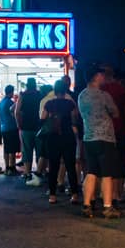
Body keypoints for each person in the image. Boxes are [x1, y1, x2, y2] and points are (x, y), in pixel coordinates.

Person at [77, 66, 122, 218]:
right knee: (107, 174)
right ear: (96, 76)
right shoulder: (104, 96)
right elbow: (115, 112)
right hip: (105, 138)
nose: (103, 77)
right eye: (101, 75)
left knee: (91, 172)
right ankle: (108, 207)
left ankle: (87, 204)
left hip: (89, 138)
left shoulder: (82, 95)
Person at [41, 77, 81, 205]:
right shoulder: (70, 104)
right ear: (65, 91)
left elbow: (42, 119)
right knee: (70, 166)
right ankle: (74, 194)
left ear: (55, 90)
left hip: (53, 138)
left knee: (53, 166)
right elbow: (75, 118)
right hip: (68, 137)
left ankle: (52, 195)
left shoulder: (49, 104)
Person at [101, 64, 125, 205]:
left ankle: (105, 194)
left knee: (105, 164)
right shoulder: (121, 90)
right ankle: (118, 194)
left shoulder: (100, 90)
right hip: (120, 130)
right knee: (120, 163)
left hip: (104, 131)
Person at [16, 78, 44, 186]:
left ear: (27, 85)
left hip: (26, 127)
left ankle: (27, 173)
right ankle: (38, 173)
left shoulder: (23, 95)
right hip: (38, 127)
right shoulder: (40, 94)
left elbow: (17, 111)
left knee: (26, 150)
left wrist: (19, 124)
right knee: (39, 151)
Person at [0, 84, 21, 176]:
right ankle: (12, 167)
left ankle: (7, 167)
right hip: (11, 128)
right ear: (11, 92)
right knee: (12, 149)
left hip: (3, 127)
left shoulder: (1, 102)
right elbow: (14, 114)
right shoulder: (10, 103)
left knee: (6, 148)